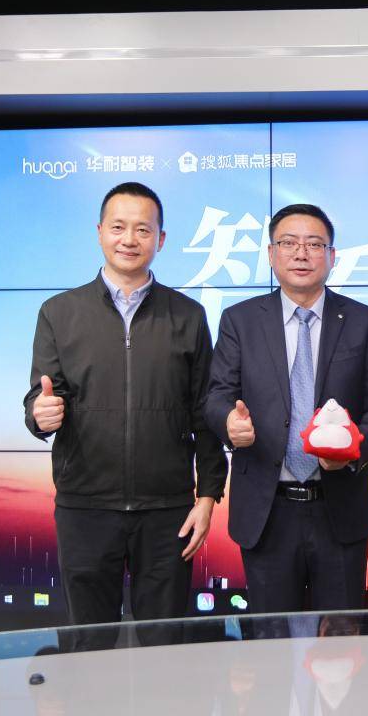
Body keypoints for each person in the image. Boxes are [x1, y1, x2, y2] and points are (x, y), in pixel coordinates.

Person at [24, 181, 227, 648]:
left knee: (166, 647)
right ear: (99, 232)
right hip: (85, 508)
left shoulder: (187, 315)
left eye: (143, 229)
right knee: (86, 647)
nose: (129, 239)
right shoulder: (59, 312)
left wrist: (208, 496)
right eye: (118, 227)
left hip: (167, 512)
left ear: (161, 239)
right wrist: (40, 414)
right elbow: (41, 396)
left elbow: (205, 413)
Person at [206, 203, 368, 614]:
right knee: (270, 639)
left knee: (341, 640)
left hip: (340, 506)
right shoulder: (240, 320)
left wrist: (352, 450)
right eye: (289, 243)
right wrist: (228, 422)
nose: (301, 253)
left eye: (314, 244)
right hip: (267, 507)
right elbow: (217, 394)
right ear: (271, 253)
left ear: (332, 256)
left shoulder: (363, 320)